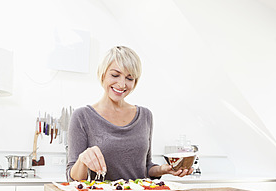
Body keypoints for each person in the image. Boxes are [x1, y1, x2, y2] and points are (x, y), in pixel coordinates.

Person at [66, 46, 194, 181]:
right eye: (115, 75)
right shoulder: (82, 117)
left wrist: (163, 169)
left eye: (129, 78)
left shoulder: (145, 116)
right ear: (102, 74)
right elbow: (72, 178)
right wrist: (82, 160)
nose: (122, 84)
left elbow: (145, 167)